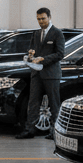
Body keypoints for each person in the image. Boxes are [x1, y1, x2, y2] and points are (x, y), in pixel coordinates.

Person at [18, 7, 66, 139]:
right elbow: (32, 50)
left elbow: (60, 54)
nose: (41, 21)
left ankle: (54, 132)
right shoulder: (36, 33)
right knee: (33, 103)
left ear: (49, 17)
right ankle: (29, 130)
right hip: (36, 74)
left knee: (54, 104)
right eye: (38, 19)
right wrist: (30, 55)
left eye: (43, 18)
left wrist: (43, 59)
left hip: (51, 74)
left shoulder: (57, 33)